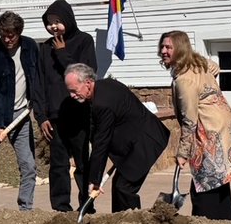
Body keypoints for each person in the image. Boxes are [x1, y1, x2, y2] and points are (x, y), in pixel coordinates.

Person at [158, 31, 231, 220]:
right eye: (162, 46)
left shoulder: (185, 80)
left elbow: (189, 120)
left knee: (205, 187)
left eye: (169, 47)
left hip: (210, 133)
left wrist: (182, 153)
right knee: (219, 183)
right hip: (224, 127)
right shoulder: (197, 64)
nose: (163, 51)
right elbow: (214, 66)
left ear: (180, 49)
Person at [65, 63, 169, 213]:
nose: (72, 96)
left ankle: (131, 223)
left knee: (124, 188)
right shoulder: (104, 86)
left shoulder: (103, 103)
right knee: (120, 185)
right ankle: (120, 221)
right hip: (133, 141)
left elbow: (101, 142)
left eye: (74, 91)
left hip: (145, 141)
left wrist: (94, 180)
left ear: (87, 83)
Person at [0, 11, 42, 211]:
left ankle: (25, 209)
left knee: (28, 166)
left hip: (21, 115)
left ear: (19, 32)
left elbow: (38, 77)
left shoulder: (30, 47)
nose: (7, 40)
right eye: (3, 35)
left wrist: (37, 103)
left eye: (11, 35)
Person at [38, 0, 98, 213]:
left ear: (68, 19)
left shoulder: (84, 41)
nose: (53, 26)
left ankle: (87, 205)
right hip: (55, 116)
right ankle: (61, 207)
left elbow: (87, 74)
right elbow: (39, 82)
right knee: (58, 164)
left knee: (82, 163)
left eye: (58, 21)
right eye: (49, 22)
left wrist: (63, 53)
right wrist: (41, 116)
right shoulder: (45, 47)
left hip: (79, 113)